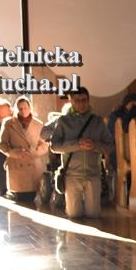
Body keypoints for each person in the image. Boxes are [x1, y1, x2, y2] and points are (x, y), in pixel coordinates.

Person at [50, 87, 114, 218]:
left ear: (88, 101)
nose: (81, 104)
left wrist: (94, 146)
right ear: (71, 102)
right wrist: (77, 145)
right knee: (74, 215)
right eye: (77, 101)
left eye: (84, 100)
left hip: (93, 174)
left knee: (93, 215)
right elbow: (54, 146)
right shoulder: (63, 121)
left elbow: (110, 146)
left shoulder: (97, 121)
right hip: (72, 175)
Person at [0, 96, 49, 202]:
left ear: (30, 108)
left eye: (25, 108)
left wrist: (34, 152)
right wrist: (14, 153)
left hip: (33, 165)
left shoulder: (38, 124)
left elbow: (45, 145)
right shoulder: (9, 123)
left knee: (32, 199)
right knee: (20, 200)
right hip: (16, 166)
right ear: (16, 109)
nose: (23, 111)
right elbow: (1, 144)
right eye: (20, 108)